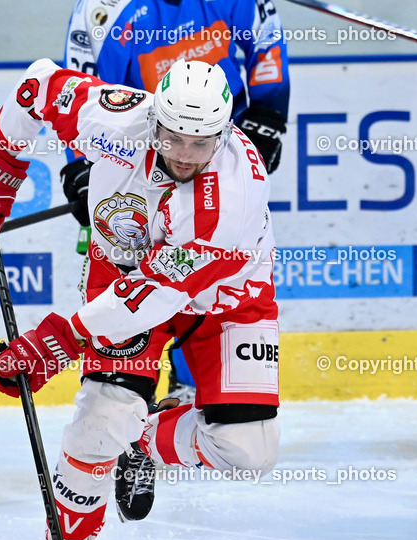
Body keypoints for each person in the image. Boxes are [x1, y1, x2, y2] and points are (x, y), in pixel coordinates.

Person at [0, 57, 280, 540]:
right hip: (122, 272)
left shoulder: (234, 198)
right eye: (172, 138)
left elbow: (157, 293)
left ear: (223, 134)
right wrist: (0, 159)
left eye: (200, 145)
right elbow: (38, 86)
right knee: (101, 419)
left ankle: (142, 441)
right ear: (155, 119)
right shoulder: (113, 119)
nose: (184, 155)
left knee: (248, 452)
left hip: (223, 299)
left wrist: (59, 338)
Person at [63, 0, 291, 403]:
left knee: (205, 272)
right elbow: (86, 92)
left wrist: (269, 113)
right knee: (131, 270)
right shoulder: (103, 10)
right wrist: (81, 165)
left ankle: (188, 386)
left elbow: (265, 39)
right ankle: (127, 393)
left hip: (215, 152)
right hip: (141, 160)